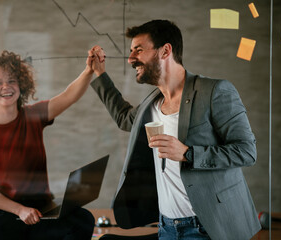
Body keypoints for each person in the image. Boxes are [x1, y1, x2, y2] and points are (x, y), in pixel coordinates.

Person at [88, 20, 261, 239]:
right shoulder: (153, 103)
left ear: (165, 50)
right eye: (131, 51)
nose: (131, 59)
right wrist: (100, 73)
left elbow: (246, 151)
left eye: (138, 50)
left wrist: (188, 153)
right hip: (166, 227)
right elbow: (124, 117)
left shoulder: (216, 91)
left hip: (207, 228)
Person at [0, 50, 95, 240]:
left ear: (20, 85)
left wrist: (89, 70)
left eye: (12, 80)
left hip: (39, 209)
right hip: (0, 213)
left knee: (83, 220)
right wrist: (19, 210)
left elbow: (69, 96)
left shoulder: (33, 116)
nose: (6, 87)